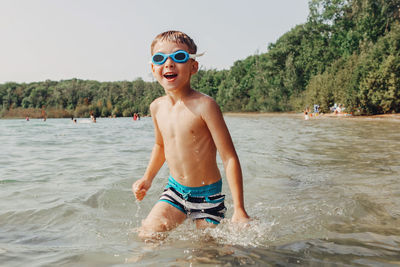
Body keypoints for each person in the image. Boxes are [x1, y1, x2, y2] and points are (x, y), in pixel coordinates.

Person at [132, 30, 250, 240]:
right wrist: (147, 178)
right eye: (160, 58)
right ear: (153, 68)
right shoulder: (156, 107)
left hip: (208, 196)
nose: (168, 63)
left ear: (193, 66)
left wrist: (239, 209)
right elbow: (161, 146)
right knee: (147, 235)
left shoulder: (205, 106)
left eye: (179, 57)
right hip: (175, 191)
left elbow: (229, 157)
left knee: (204, 253)